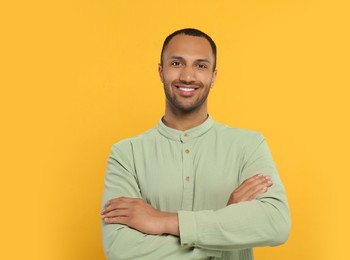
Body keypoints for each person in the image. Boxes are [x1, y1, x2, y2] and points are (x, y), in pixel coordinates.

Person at [101, 28, 290, 260]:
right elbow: (122, 251)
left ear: (213, 76)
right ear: (161, 71)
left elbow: (276, 223)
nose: (188, 76)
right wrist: (226, 226)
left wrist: (163, 221)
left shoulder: (248, 145)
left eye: (200, 66)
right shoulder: (126, 154)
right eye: (177, 63)